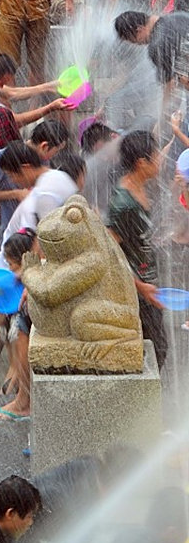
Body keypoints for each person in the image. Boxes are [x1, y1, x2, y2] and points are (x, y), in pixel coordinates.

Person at [107, 129, 167, 369]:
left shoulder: (142, 188)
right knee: (152, 349)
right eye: (157, 155)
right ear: (142, 163)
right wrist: (140, 287)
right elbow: (111, 254)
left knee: (157, 347)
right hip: (137, 291)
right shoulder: (123, 203)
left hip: (149, 283)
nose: (161, 159)